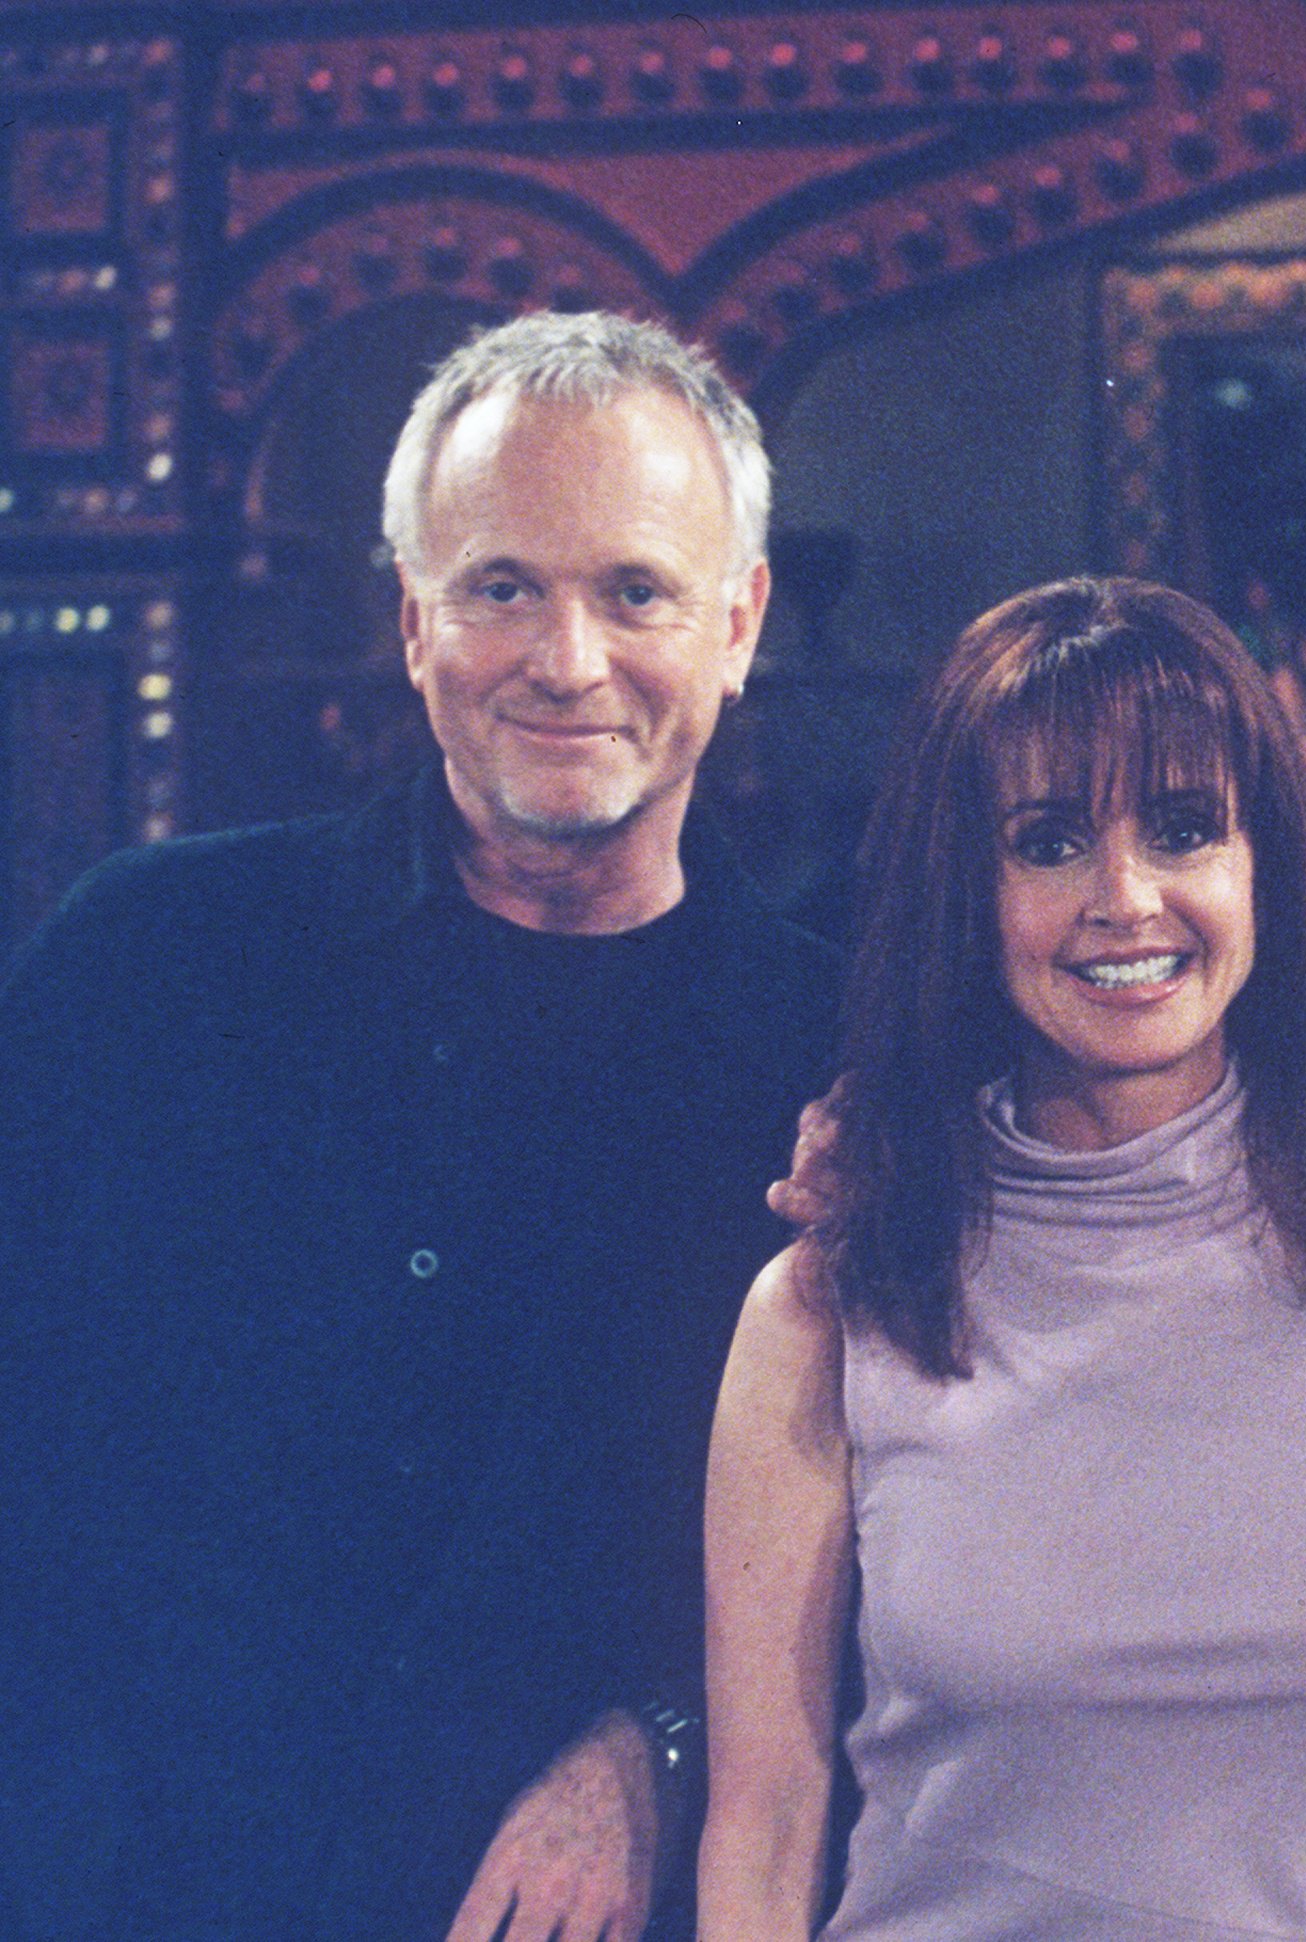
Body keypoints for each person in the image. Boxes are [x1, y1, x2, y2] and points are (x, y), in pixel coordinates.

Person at [0, 310, 840, 1941]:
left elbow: (933, 1567)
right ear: (411, 622)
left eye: (637, 591)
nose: (567, 658)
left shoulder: (847, 1052)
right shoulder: (142, 959)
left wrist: (659, 1744)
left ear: (739, 623)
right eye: (501, 586)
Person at [697, 578, 1306, 1942]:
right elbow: (766, 1827)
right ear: (964, 889)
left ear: (1262, 865)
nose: (1125, 897)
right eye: (1047, 841)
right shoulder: (826, 1307)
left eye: (1182, 829)